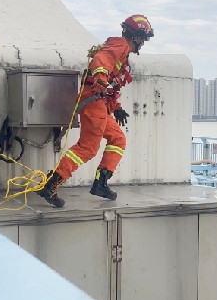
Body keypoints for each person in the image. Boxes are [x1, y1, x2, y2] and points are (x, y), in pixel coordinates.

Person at [36, 15, 154, 207]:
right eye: (144, 39)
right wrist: (100, 78)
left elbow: (110, 84)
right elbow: (101, 60)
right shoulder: (121, 45)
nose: (143, 43)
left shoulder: (122, 52)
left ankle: (101, 183)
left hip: (100, 105)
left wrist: (117, 108)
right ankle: (51, 185)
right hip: (94, 103)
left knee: (118, 139)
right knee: (87, 148)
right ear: (136, 36)